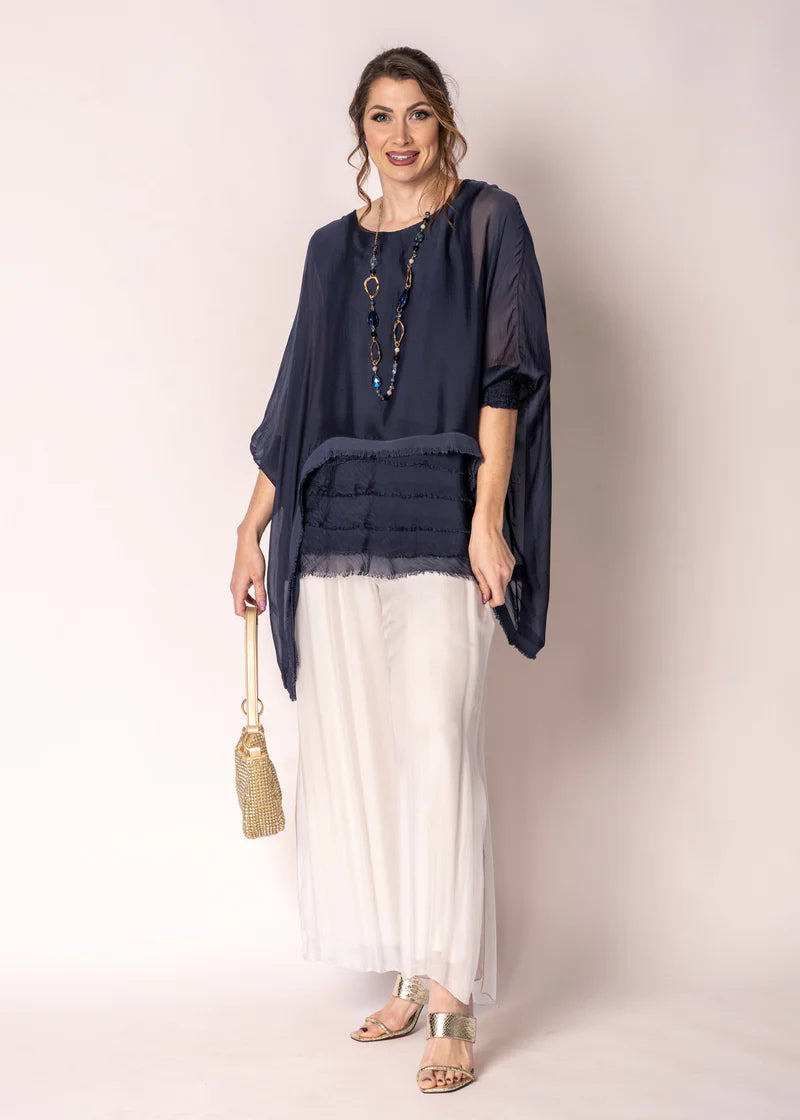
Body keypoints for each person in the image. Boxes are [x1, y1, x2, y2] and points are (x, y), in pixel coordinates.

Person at [230, 46, 552, 1094]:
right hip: (337, 521)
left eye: (417, 113)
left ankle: (451, 999)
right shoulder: (330, 252)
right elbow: (296, 398)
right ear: (359, 130)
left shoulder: (488, 222)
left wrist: (488, 521)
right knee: (366, 752)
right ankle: (415, 964)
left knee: (437, 744)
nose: (400, 135)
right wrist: (251, 528)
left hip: (440, 515)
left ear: (443, 121)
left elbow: (504, 381)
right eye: (380, 116)